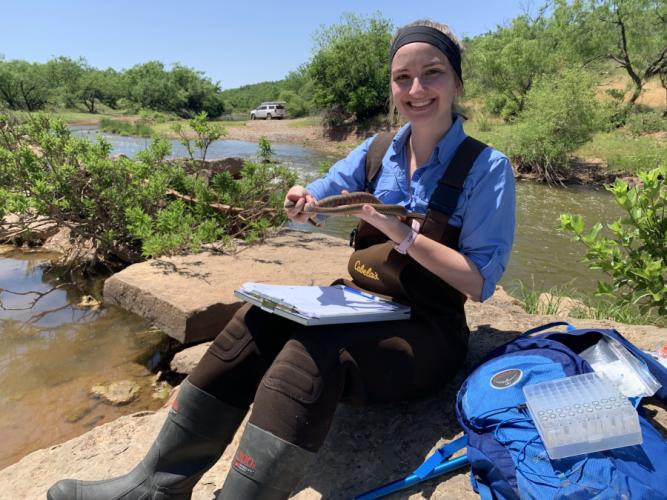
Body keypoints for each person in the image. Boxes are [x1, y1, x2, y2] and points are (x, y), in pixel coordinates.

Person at [47, 19, 515, 500]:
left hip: (427, 329)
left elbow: (478, 283)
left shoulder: (487, 169)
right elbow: (322, 188)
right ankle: (156, 485)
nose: (416, 89)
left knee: (311, 356)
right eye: (402, 78)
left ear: (457, 82)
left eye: (432, 73)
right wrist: (303, 198)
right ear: (392, 87)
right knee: (253, 322)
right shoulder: (377, 150)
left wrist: (404, 236)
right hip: (359, 303)